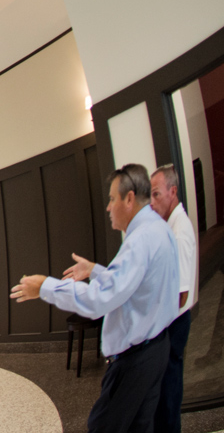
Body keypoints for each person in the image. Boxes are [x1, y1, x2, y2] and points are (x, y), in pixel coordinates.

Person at [10, 163, 179, 433]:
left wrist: (45, 286)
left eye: (112, 199)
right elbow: (133, 286)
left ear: (130, 198)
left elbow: (100, 300)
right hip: (155, 347)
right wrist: (95, 270)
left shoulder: (140, 240)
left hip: (134, 360)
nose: (109, 207)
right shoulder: (158, 229)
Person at [150, 164, 198, 433]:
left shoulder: (179, 231)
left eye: (156, 194)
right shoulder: (168, 225)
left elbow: (180, 295)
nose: (152, 202)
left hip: (173, 323)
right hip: (169, 322)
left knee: (168, 397)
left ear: (173, 191)